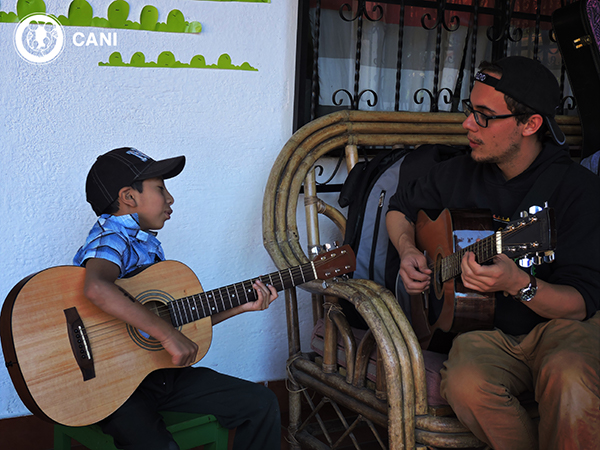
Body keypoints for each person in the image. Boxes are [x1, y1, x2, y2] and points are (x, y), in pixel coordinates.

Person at [386, 56, 600, 449]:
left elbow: (580, 304)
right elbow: (399, 209)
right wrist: (407, 249)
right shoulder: (459, 172)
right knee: (465, 381)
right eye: (470, 110)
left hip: (564, 329)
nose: (468, 124)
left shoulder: (578, 191)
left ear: (530, 124)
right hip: (487, 335)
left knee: (568, 375)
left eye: (484, 116)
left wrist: (518, 284)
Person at [73, 147, 281, 450]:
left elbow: (175, 319)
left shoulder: (146, 244)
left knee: (261, 403)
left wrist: (239, 306)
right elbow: (96, 288)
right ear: (128, 197)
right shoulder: (111, 237)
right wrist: (168, 335)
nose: (170, 198)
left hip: (157, 373)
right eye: (160, 188)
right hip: (114, 384)